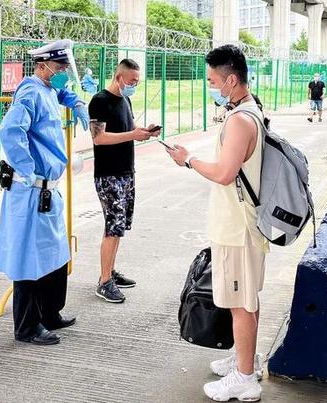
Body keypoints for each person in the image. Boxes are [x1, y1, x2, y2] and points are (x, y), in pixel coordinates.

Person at [166, 45, 268, 402]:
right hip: (242, 226)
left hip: (238, 228)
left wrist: (188, 159)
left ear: (231, 80)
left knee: (240, 302)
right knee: (244, 298)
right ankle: (246, 361)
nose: (210, 85)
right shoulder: (248, 110)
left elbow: (225, 173)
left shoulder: (241, 120)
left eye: (212, 80)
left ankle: (244, 379)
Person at [0, 39, 90, 346]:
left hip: (49, 190)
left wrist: (75, 102)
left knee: (54, 255)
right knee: (29, 260)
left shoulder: (49, 89)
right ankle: (26, 326)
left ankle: (50, 313)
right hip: (32, 189)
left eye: (65, 67)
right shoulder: (30, 91)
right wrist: (27, 169)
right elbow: (10, 132)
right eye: (61, 67)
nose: (64, 72)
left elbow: (61, 92)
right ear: (44, 64)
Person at [88, 59, 161, 303]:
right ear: (119, 77)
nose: (134, 86)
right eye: (131, 81)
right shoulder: (100, 101)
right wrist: (132, 134)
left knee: (119, 226)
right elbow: (99, 138)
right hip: (108, 175)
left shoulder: (125, 100)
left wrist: (145, 132)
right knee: (112, 227)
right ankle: (104, 281)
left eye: (137, 82)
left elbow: (129, 128)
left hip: (126, 172)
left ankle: (110, 270)